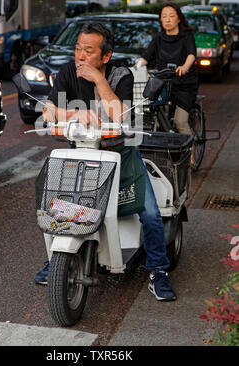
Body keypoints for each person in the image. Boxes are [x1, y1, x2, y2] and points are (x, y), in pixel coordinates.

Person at [34, 22, 176, 301]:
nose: (80, 57)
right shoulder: (66, 72)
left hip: (120, 155)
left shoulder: (121, 74)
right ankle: (57, 260)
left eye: (88, 51)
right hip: (81, 155)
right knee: (61, 207)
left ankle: (159, 270)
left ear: (105, 56)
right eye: (77, 49)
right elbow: (48, 113)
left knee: (149, 213)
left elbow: (121, 115)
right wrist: (75, 115)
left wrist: (99, 80)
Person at [136, 2, 198, 137]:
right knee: (154, 117)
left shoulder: (186, 36)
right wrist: (136, 67)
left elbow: (191, 54)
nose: (168, 20)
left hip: (184, 84)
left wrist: (185, 67)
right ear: (161, 19)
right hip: (163, 85)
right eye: (164, 16)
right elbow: (146, 57)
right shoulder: (158, 38)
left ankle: (190, 153)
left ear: (179, 19)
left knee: (180, 121)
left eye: (171, 16)